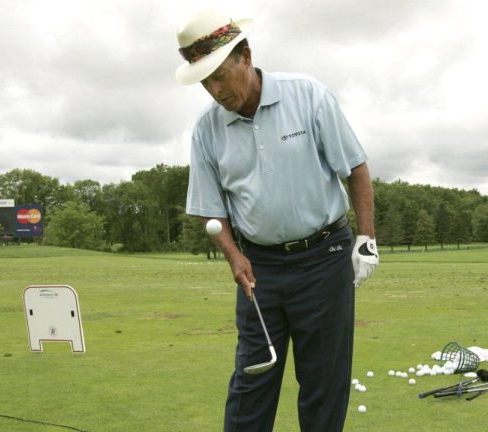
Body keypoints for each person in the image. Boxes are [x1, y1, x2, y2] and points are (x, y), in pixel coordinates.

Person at [175, 9, 379, 432]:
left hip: (325, 257)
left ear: (245, 56)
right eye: (204, 83)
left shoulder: (308, 96)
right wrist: (233, 255)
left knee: (324, 382)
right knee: (252, 379)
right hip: (259, 269)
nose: (214, 91)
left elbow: (355, 169)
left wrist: (366, 238)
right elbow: (212, 209)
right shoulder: (206, 130)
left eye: (219, 76)